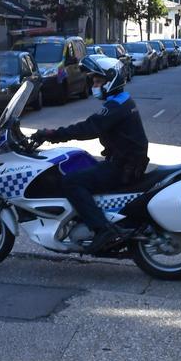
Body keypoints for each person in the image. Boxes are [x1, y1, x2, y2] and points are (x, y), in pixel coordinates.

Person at [33, 55, 150, 253]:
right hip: (126, 162)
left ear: (111, 80)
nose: (94, 85)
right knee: (80, 164)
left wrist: (51, 134)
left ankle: (103, 229)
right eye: (93, 81)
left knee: (71, 181)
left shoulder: (116, 106)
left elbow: (88, 128)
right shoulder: (121, 101)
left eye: (98, 81)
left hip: (123, 167)